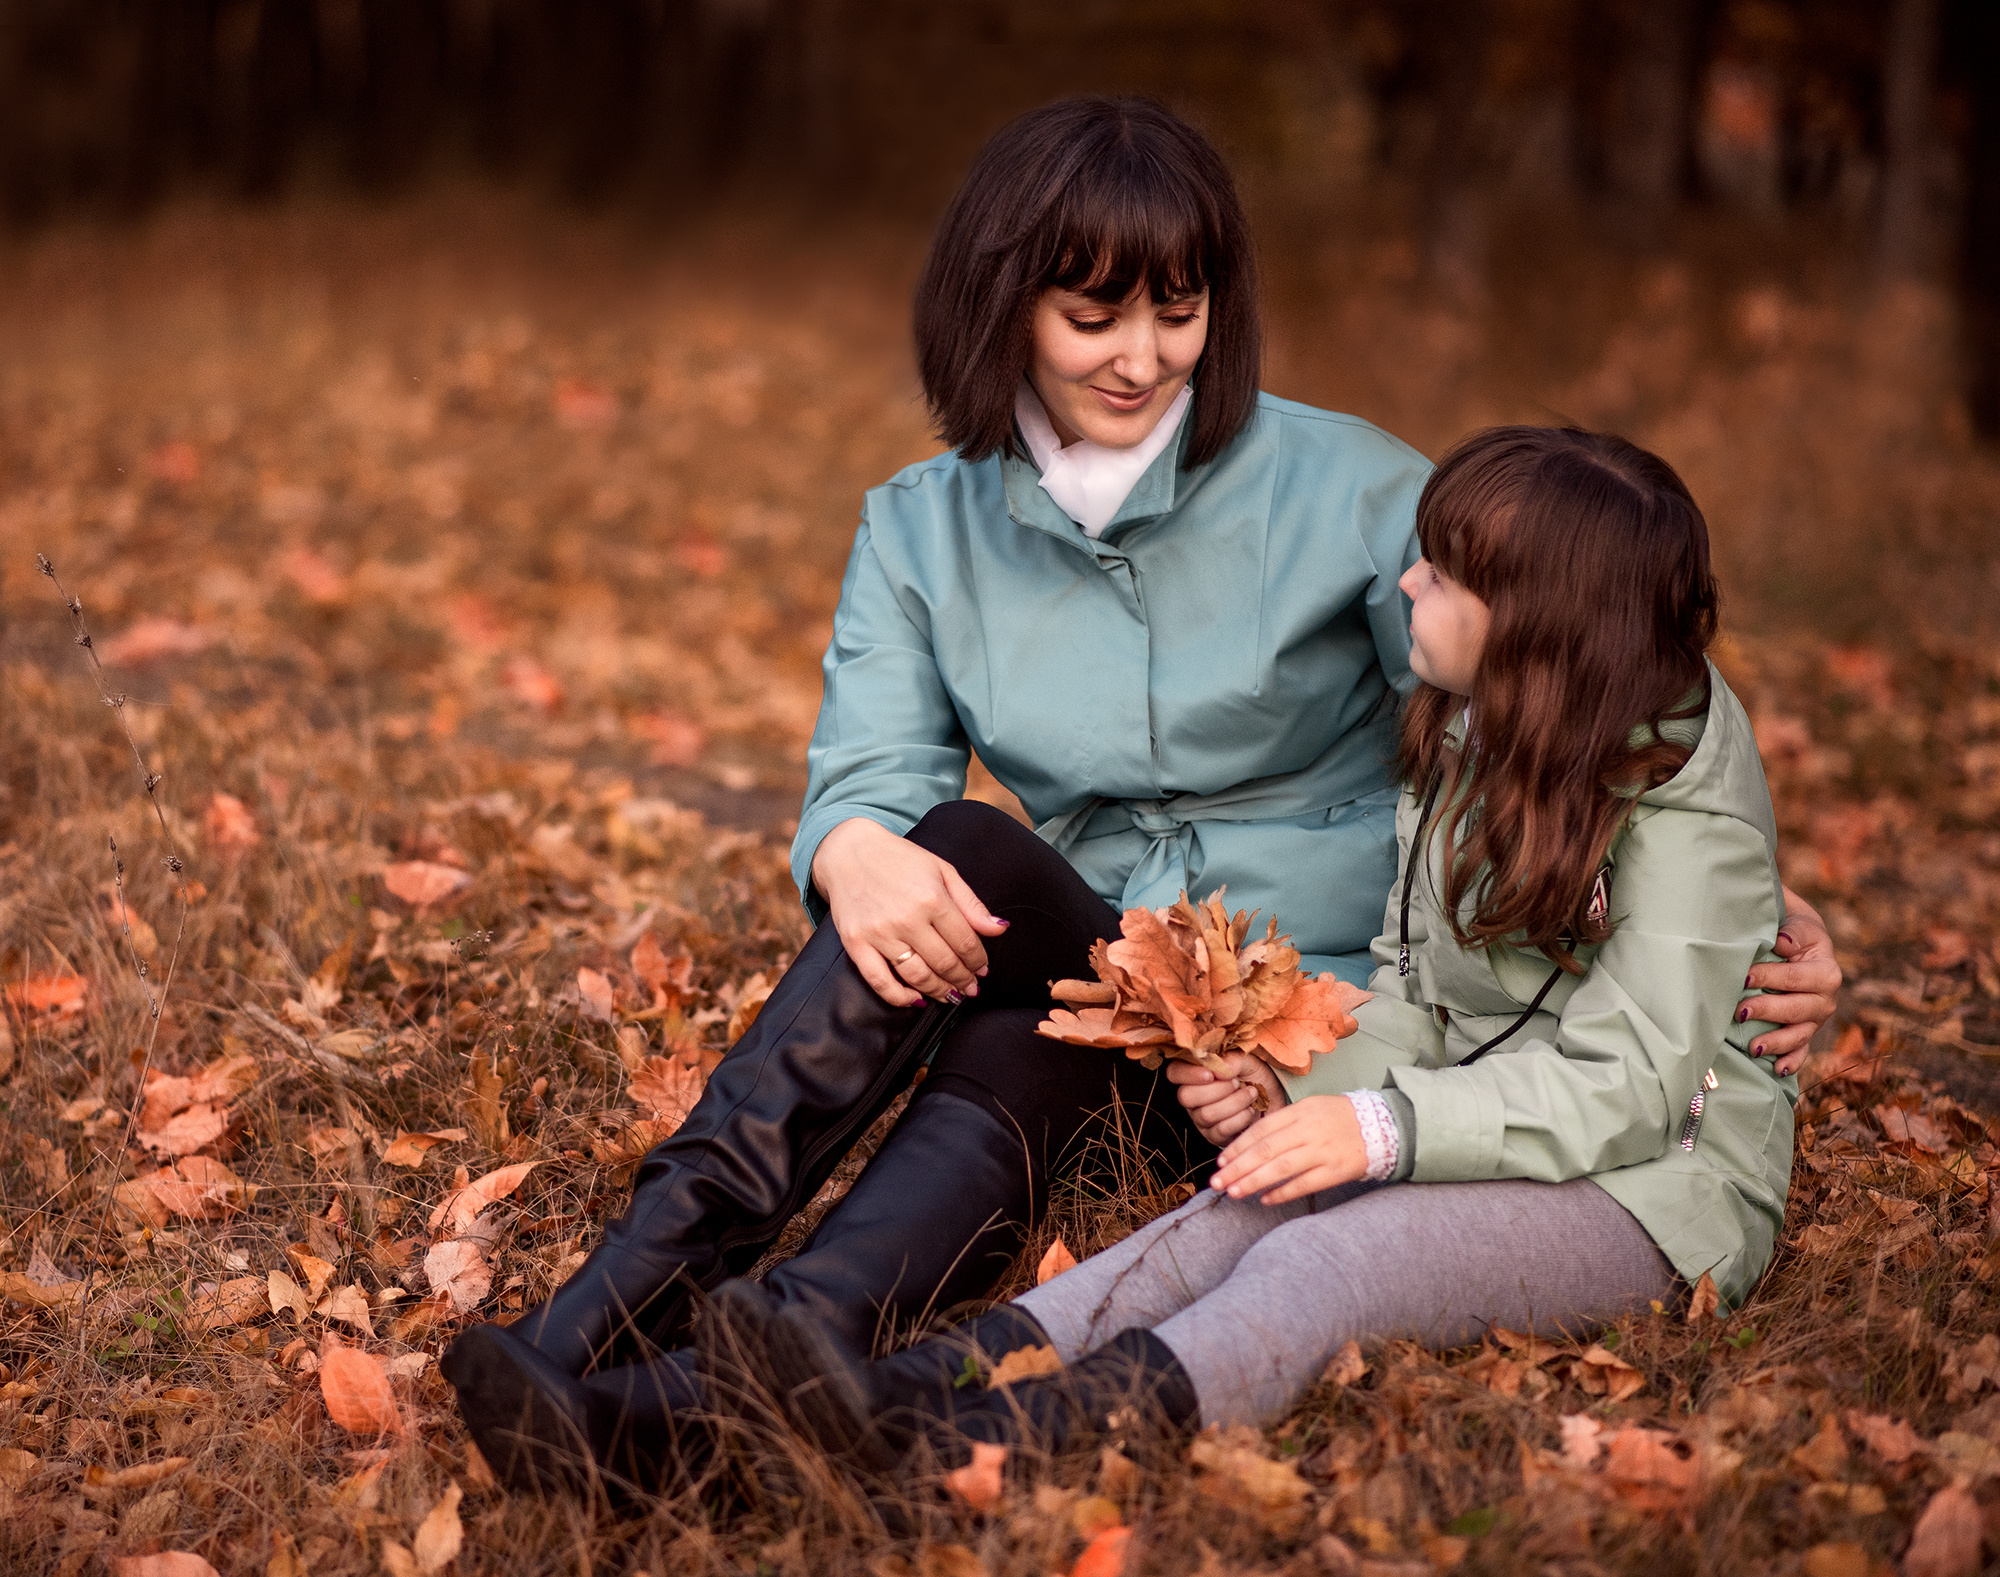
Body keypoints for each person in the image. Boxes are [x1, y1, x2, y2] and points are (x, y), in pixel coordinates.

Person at [441, 102, 1838, 1495]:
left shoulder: (1350, 487)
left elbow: (1562, 671)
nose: (1145, 356)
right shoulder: (922, 526)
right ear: (1003, 303)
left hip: (1321, 1022)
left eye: (1180, 310)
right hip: (1124, 967)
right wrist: (850, 845)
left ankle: (790, 1352)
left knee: (1027, 1041)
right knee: (959, 854)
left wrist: (1741, 925)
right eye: (1095, 314)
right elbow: (873, 770)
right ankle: (618, 1315)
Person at [716, 425, 1807, 1475]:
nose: (1406, 583)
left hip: (1660, 1182)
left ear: (1535, 624)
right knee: (1232, 1205)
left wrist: (1372, 1128)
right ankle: (907, 1387)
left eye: (1442, 573)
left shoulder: (1680, 801)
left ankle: (982, 1444)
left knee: (1322, 1257)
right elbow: (1419, 994)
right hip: (1493, 1107)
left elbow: (1632, 1082)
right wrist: (1286, 1078)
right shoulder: (1470, 723)